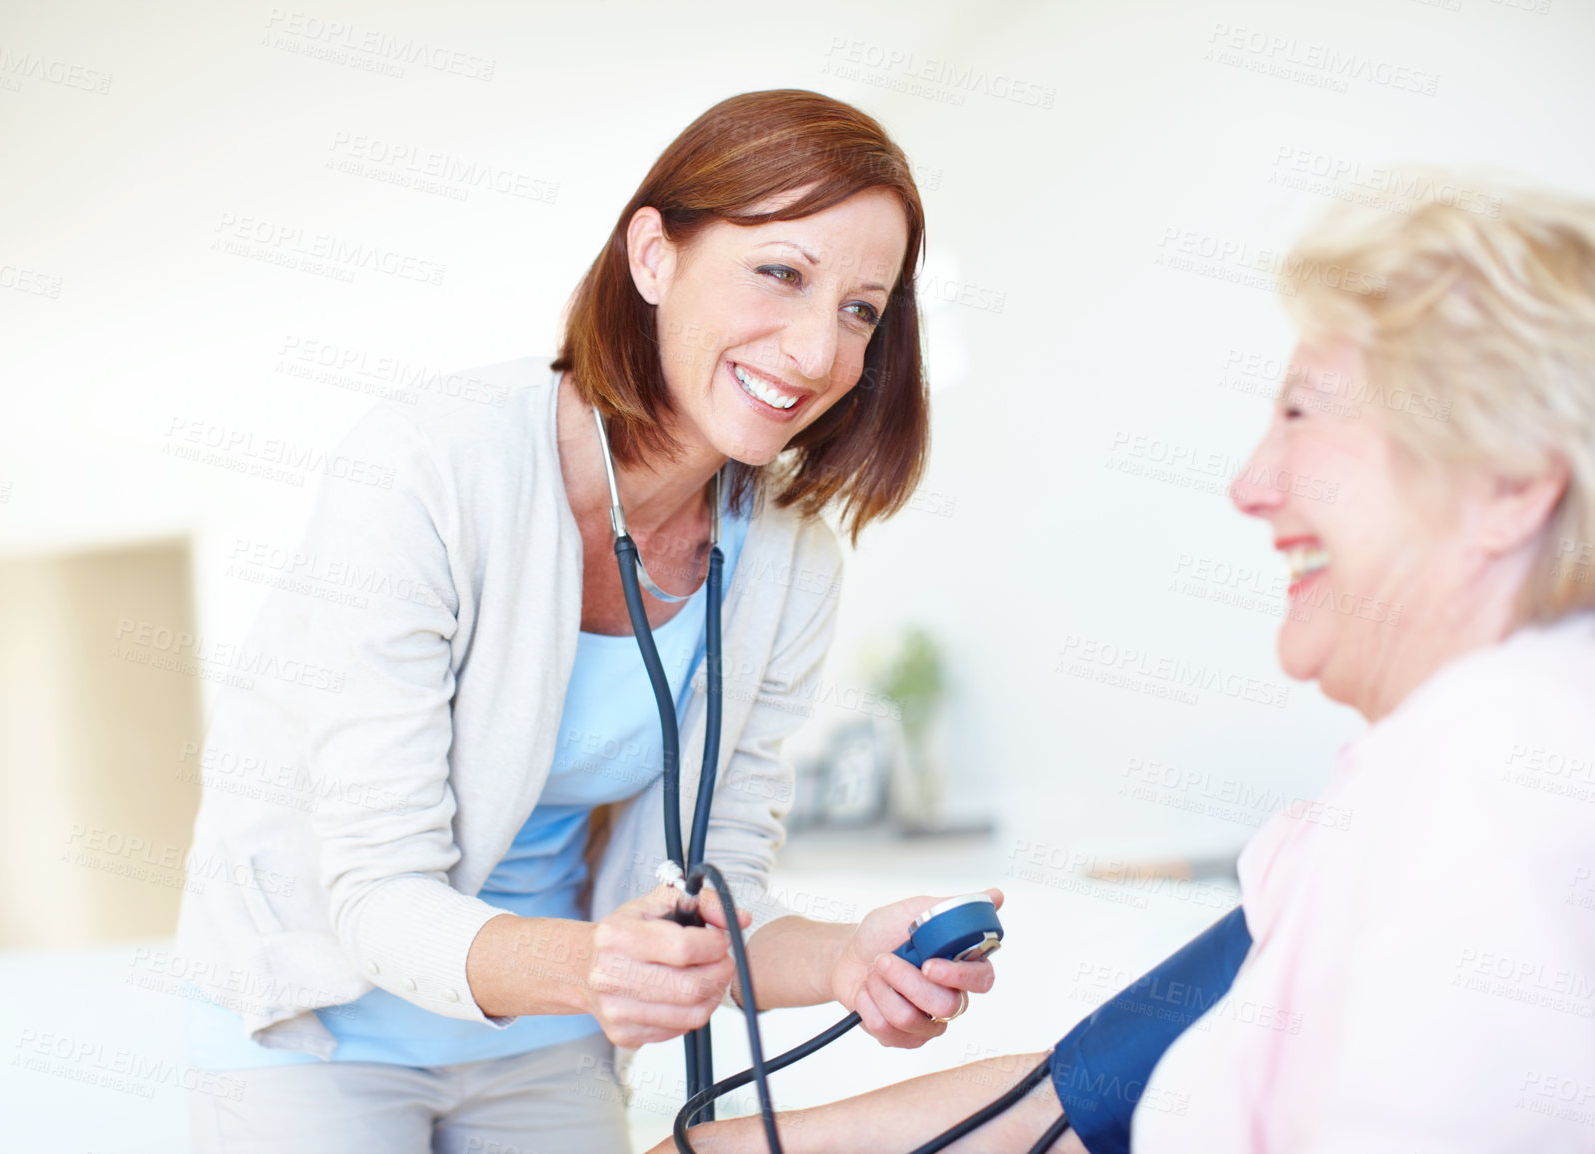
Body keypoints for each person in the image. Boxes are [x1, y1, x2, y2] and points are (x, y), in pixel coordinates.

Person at [646, 172, 1595, 1153]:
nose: (1250, 482)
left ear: (1508, 485)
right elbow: (1077, 1099)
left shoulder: (1494, 766)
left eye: (1304, 415)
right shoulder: (1415, 784)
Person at [175, 88, 1002, 1154]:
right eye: (781, 272)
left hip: (544, 1035)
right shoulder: (429, 465)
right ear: (652, 255)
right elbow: (375, 894)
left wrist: (851, 957)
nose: (813, 349)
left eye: (860, 309)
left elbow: (714, 894)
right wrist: (599, 965)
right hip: (314, 1026)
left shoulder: (789, 558)